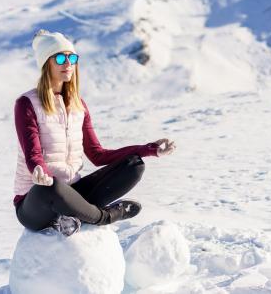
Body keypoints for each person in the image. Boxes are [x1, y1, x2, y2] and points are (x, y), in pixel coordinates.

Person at [13, 29, 176, 236]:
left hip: (73, 191)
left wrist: (149, 150)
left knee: (133, 165)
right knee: (50, 187)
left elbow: (98, 155)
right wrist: (39, 171)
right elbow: (33, 154)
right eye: (60, 58)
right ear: (46, 64)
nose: (68, 64)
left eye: (71, 57)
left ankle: (75, 215)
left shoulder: (78, 105)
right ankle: (106, 216)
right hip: (36, 202)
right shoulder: (27, 104)